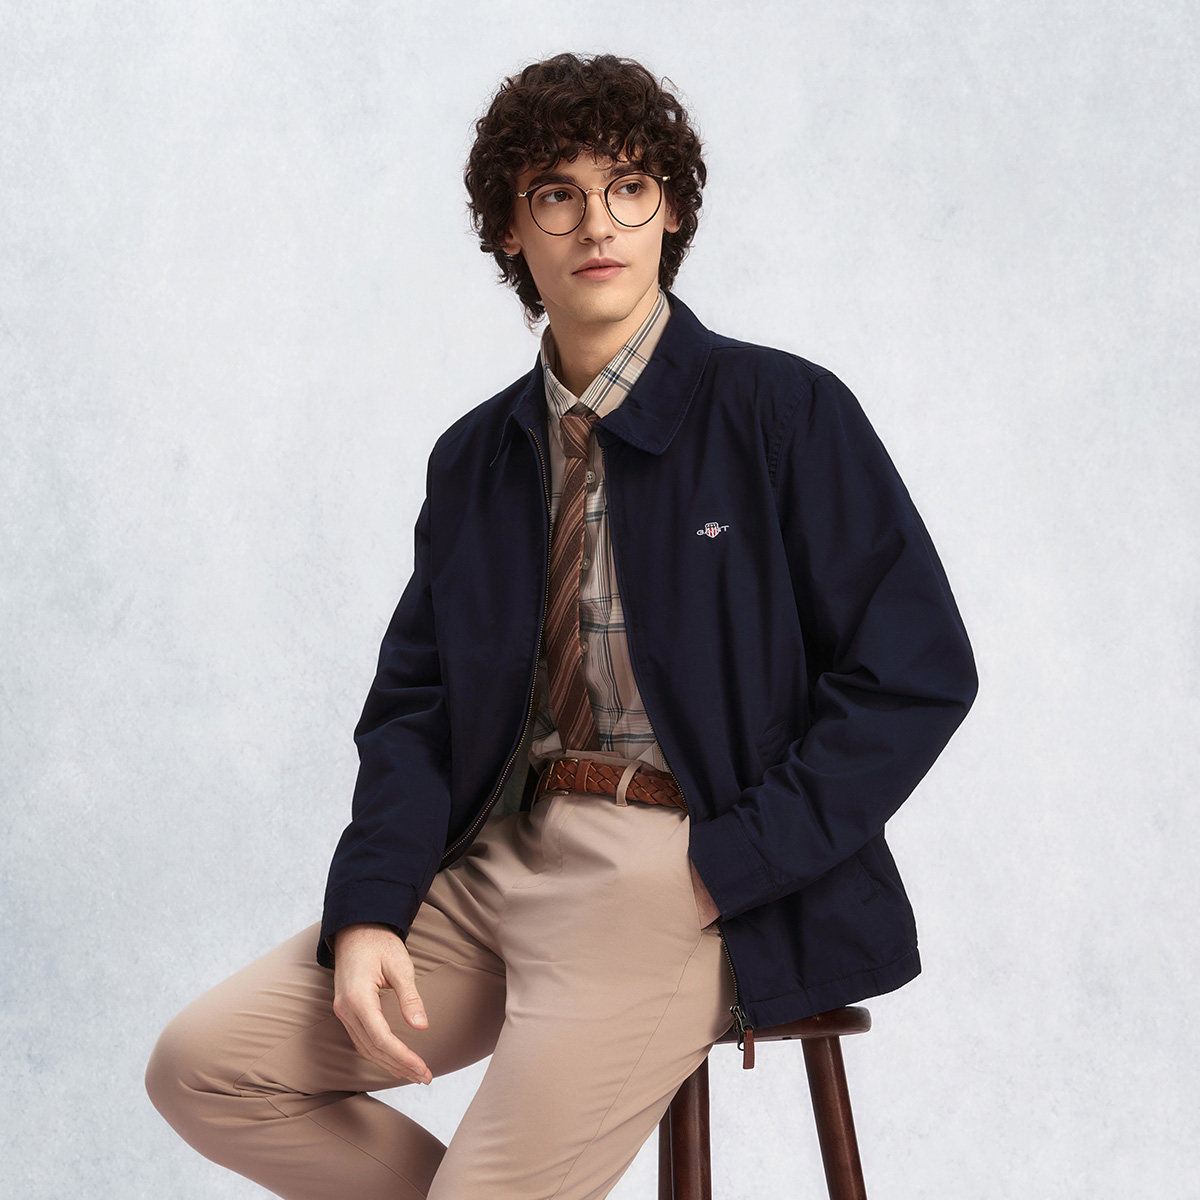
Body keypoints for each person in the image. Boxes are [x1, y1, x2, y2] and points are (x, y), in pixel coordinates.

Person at [144, 51, 978, 1200]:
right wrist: (373, 909)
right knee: (203, 1070)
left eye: (630, 187)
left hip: (671, 875)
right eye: (557, 194)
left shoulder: (783, 412)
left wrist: (730, 865)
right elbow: (417, 714)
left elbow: (914, 673)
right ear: (508, 229)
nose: (598, 223)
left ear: (670, 210)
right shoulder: (475, 459)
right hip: (498, 860)